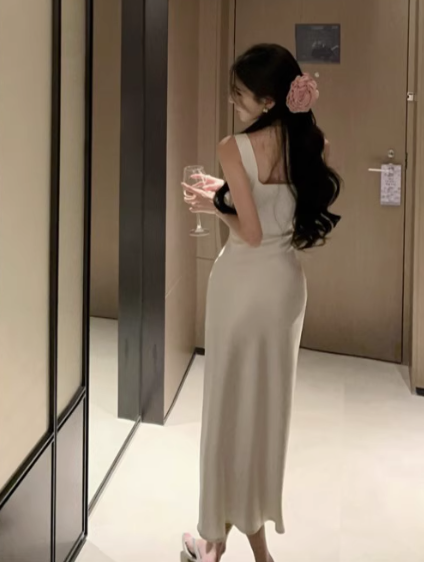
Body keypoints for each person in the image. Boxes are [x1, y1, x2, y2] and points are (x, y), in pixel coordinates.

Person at [181, 44, 341, 562]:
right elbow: (276, 213)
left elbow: (249, 231)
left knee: (227, 408)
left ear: (269, 100)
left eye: (240, 95)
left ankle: (215, 538)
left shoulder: (233, 146)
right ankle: (249, 542)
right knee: (266, 411)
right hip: (285, 289)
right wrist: (226, 192)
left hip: (242, 286)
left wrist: (215, 204)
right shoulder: (310, 142)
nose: (234, 102)